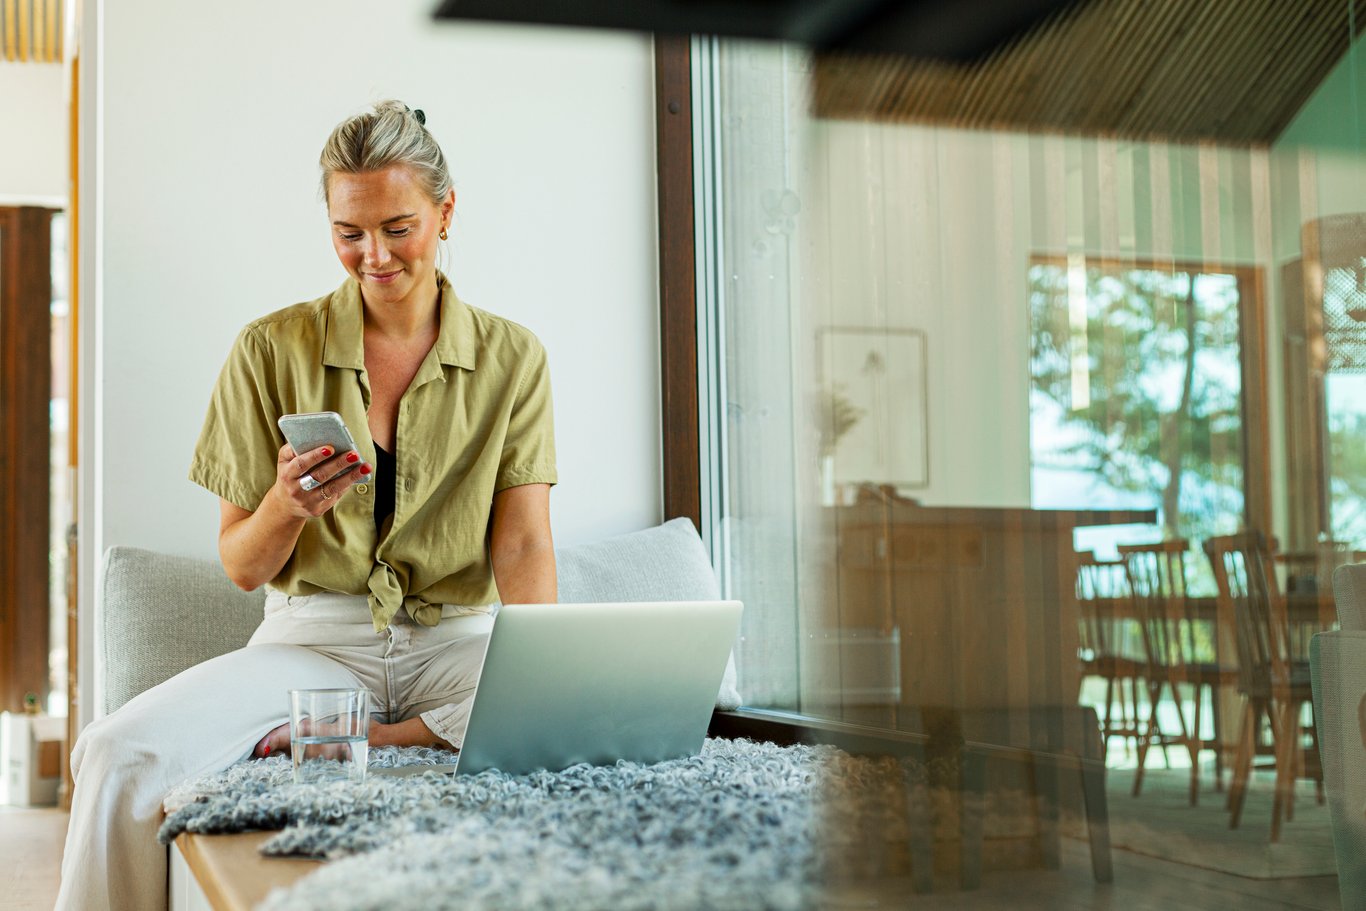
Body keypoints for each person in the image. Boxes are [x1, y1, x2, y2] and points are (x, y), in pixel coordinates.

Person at [55, 100, 558, 911]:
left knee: (593, 719)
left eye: (398, 227)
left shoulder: (514, 357)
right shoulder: (269, 348)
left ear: (447, 210)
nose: (373, 255)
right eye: (349, 231)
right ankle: (381, 727)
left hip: (457, 639)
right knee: (115, 751)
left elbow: (525, 546)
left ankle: (389, 734)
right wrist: (287, 504)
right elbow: (242, 565)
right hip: (317, 645)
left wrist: (547, 673)